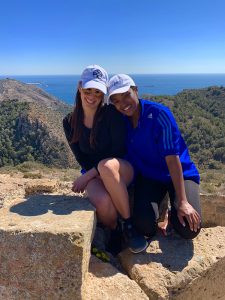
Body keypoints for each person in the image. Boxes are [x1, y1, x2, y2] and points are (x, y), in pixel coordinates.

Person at [63, 65, 147, 253]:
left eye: (98, 92)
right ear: (79, 87)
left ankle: (128, 226)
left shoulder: (112, 114)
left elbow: (119, 151)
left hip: (121, 169)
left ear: (103, 94)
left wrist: (88, 176)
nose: (92, 96)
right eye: (88, 90)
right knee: (102, 202)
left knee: (107, 166)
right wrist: (92, 174)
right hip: (94, 173)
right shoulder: (69, 122)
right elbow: (81, 158)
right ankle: (114, 230)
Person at [108, 74, 202, 240]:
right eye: (116, 100)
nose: (123, 104)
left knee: (189, 228)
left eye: (126, 95)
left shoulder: (159, 115)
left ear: (136, 90)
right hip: (150, 176)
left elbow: (173, 161)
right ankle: (163, 210)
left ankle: (172, 210)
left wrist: (182, 202)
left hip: (180, 174)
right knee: (144, 226)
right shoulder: (121, 120)